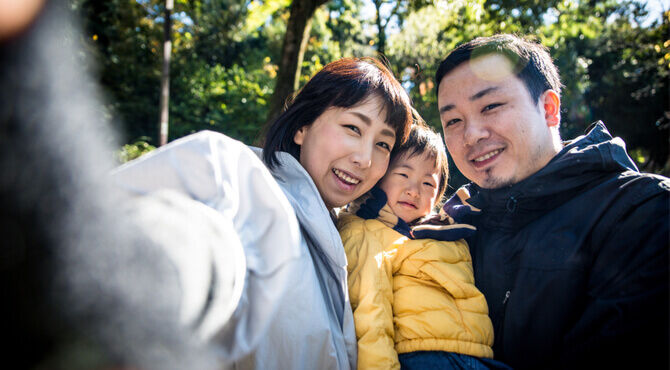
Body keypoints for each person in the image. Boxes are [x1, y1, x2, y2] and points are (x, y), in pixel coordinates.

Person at [111, 57, 414, 369]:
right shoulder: (241, 183)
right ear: (302, 126)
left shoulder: (352, 241)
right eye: (353, 127)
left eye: (383, 144)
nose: (365, 158)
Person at [434, 33, 669, 369]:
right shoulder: (456, 229)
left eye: (490, 106)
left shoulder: (644, 212)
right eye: (453, 121)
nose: (471, 135)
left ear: (548, 109)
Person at [338, 124, 510, 370]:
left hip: (478, 355)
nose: (414, 191)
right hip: (421, 356)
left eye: (428, 184)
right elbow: (370, 310)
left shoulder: (449, 232)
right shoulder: (366, 230)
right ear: (379, 176)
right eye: (403, 175)